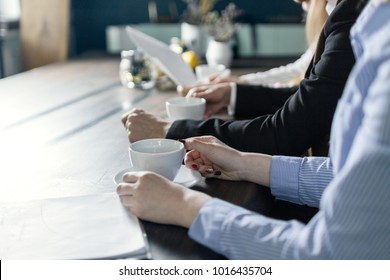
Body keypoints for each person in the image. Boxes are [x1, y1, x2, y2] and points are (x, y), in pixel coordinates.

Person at [117, 0, 390, 259]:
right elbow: (354, 176)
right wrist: (247, 164)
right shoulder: (371, 24)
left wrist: (183, 205)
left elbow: (330, 257)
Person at [121, 0, 358, 157]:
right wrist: (233, 92)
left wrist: (171, 131)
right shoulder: (346, 12)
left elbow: (287, 133)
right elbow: (312, 96)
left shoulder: (352, 16)